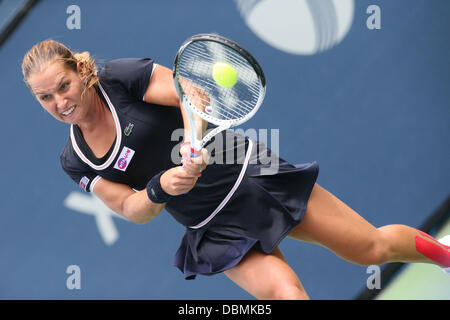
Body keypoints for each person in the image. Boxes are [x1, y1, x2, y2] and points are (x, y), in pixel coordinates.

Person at [22, 40, 449, 300]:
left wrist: (191, 141)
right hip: (209, 225)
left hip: (248, 171)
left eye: (63, 86)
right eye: (46, 98)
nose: (60, 102)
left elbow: (190, 91)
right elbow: (130, 208)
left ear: (81, 70)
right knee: (286, 294)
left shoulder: (119, 77)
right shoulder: (74, 159)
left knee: (370, 250)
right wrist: (159, 188)